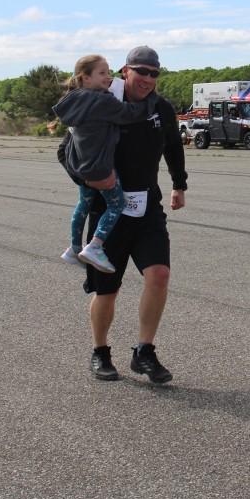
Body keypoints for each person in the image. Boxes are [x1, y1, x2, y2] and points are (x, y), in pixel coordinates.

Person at [82, 46, 187, 384]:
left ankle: (144, 352)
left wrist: (179, 184)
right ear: (125, 71)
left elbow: (173, 145)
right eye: (142, 71)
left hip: (147, 209)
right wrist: (88, 178)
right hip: (107, 213)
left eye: (154, 73)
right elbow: (67, 150)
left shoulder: (160, 107)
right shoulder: (101, 102)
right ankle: (100, 351)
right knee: (107, 290)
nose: (148, 79)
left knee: (159, 275)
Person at [53, 55, 158, 273]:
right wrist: (151, 99)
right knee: (116, 205)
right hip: (101, 167)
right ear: (85, 77)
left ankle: (74, 247)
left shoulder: (74, 100)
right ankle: (95, 246)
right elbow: (131, 113)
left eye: (108, 72)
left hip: (80, 165)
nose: (108, 77)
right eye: (102, 73)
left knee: (83, 204)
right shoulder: (102, 100)